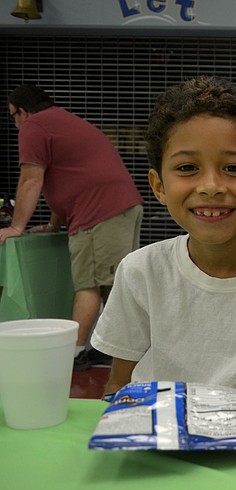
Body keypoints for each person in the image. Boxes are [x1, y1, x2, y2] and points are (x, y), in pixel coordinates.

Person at [90, 76, 236, 406]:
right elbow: (120, 390)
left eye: (233, 167)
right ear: (159, 186)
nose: (211, 186)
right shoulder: (140, 271)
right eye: (187, 167)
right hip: (153, 438)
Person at [3, 84, 145, 371]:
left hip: (100, 212)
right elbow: (70, 178)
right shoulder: (63, 121)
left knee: (89, 284)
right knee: (113, 285)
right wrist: (54, 223)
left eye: (12, 116)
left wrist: (16, 226)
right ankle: (119, 352)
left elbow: (32, 179)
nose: (15, 123)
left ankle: (74, 354)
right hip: (120, 206)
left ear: (22, 111)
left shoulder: (34, 126)